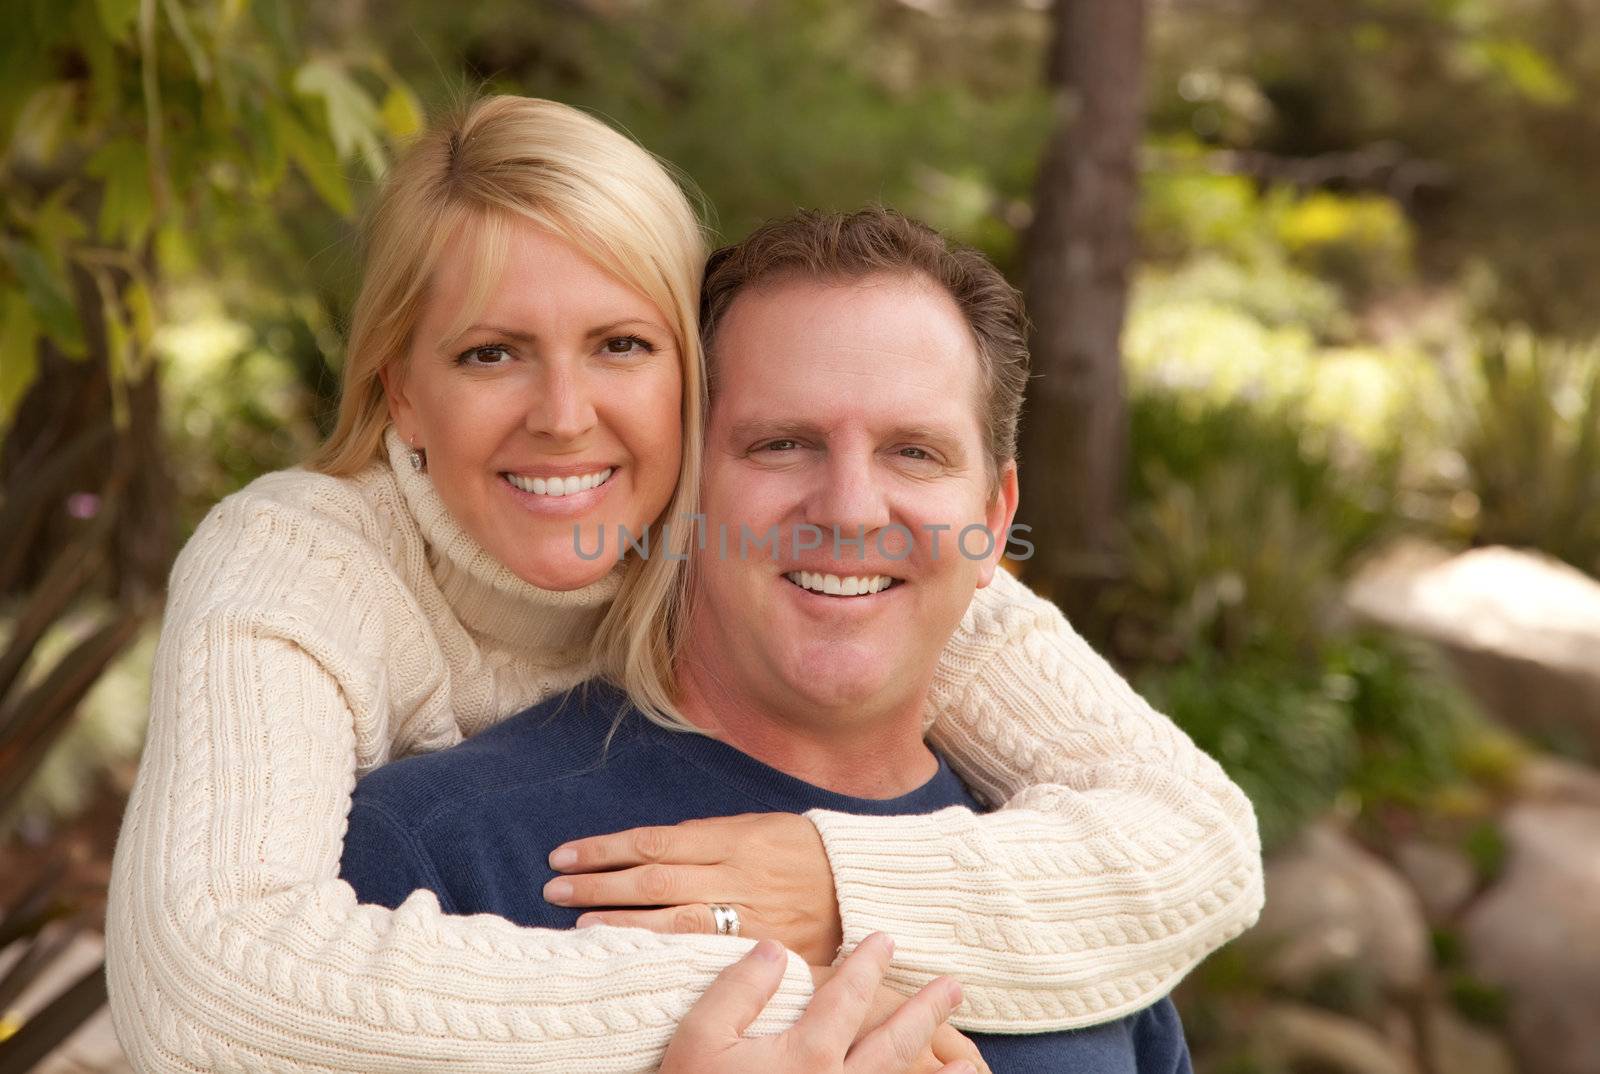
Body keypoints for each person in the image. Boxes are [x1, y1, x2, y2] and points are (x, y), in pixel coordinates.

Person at [106, 96, 1262, 1072]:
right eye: (488, 351)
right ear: (397, 389)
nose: (565, 419)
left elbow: (1197, 840)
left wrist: (841, 885)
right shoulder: (316, 585)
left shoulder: (910, 596)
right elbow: (210, 974)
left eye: (620, 345)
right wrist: (776, 995)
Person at [339, 207, 1196, 1074]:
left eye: (914, 453)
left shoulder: (1087, 911)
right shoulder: (439, 854)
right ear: (686, 487)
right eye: (782, 445)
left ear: (992, 517)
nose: (850, 508)